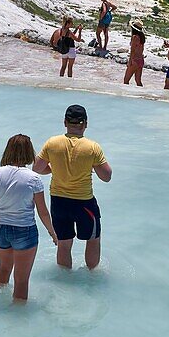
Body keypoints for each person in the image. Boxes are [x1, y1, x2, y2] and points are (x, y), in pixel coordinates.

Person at [0, 134, 56, 301]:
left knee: (4, 268)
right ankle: (18, 319)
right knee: (21, 280)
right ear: (29, 152)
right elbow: (43, 212)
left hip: (0, 229)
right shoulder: (33, 178)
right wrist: (52, 233)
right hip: (24, 230)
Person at [33, 104, 112, 270]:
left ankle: (64, 279)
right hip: (84, 202)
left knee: (63, 243)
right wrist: (91, 165)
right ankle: (92, 276)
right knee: (93, 239)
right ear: (85, 124)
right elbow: (106, 176)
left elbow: (37, 169)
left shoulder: (52, 143)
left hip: (58, 201)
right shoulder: (92, 147)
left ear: (65, 122)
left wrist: (54, 169)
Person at [123, 18, 145, 86]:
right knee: (138, 81)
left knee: (126, 80)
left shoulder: (135, 37)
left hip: (134, 59)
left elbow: (133, 50)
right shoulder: (142, 37)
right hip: (140, 59)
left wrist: (130, 61)